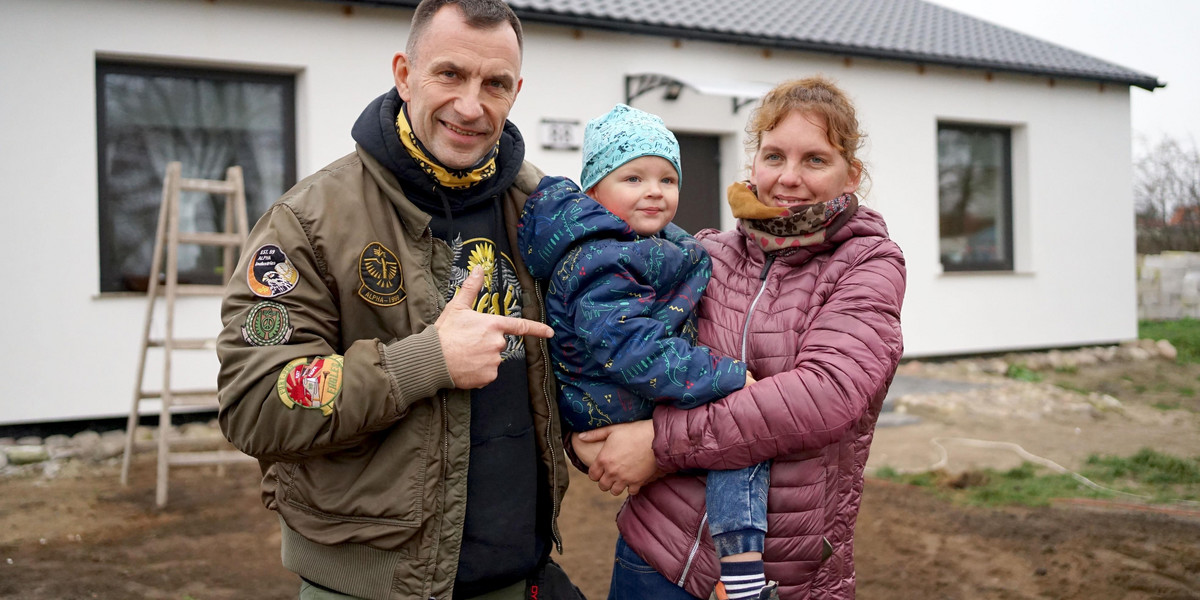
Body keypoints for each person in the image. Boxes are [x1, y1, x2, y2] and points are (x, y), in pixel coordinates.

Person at [215, 1, 585, 599]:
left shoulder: (541, 209)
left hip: (520, 577)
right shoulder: (307, 223)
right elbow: (257, 404)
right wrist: (427, 361)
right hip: (369, 588)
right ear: (403, 73)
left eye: (494, 84)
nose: (471, 105)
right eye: (449, 74)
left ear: (516, 91)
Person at [574, 76, 907, 598]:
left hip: (778, 573)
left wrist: (660, 446)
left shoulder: (868, 264)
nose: (789, 178)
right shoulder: (706, 253)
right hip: (654, 551)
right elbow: (621, 339)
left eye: (815, 160)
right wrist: (591, 431)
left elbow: (823, 396)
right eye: (773, 156)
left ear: (851, 175)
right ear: (753, 162)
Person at [517, 104, 776, 600]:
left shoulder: (642, 243)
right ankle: (743, 578)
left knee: (732, 434)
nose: (654, 190)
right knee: (738, 434)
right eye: (633, 178)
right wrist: (723, 375)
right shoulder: (599, 257)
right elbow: (632, 349)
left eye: (666, 178)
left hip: (620, 393)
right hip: (611, 397)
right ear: (594, 192)